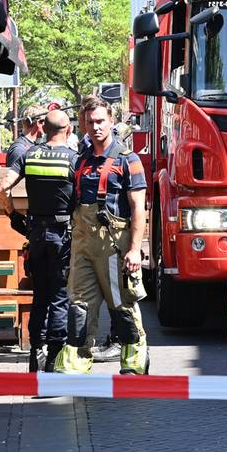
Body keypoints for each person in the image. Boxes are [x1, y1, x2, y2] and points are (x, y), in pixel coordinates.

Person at [67, 98, 150, 374]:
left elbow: (139, 207)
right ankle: (77, 362)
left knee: (121, 303)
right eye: (90, 122)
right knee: (80, 303)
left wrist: (135, 249)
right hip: (83, 244)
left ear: (111, 121)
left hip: (114, 245)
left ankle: (134, 360)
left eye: (100, 121)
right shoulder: (81, 160)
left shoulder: (129, 160)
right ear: (83, 124)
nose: (95, 127)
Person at [0, 109, 76, 372]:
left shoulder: (29, 155)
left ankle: (35, 355)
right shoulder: (73, 159)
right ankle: (55, 357)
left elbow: (2, 187)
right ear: (69, 130)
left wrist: (13, 215)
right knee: (59, 297)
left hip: (36, 233)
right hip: (62, 235)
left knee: (40, 295)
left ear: (43, 129)